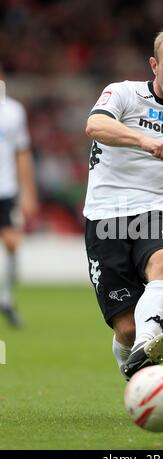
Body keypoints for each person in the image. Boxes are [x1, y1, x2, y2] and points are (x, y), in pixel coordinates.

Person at [84, 28, 163, 380]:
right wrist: (143, 140)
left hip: (152, 213)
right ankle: (137, 356)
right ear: (154, 64)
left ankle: (150, 338)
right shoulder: (122, 93)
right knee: (125, 330)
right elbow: (94, 125)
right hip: (105, 216)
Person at [0, 64, 38, 327]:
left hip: (6, 190)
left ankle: (5, 298)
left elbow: (22, 153)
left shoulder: (12, 111)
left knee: (12, 243)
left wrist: (28, 193)